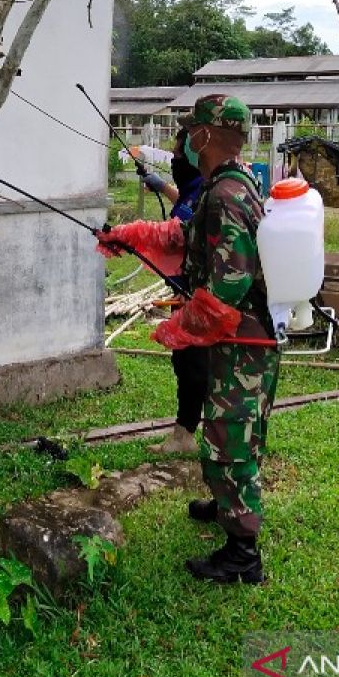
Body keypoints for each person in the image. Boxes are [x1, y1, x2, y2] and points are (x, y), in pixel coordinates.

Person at [131, 94, 279, 584]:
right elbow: (195, 235)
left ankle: (242, 555)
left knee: (229, 438)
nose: (186, 141)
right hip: (247, 338)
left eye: (191, 131)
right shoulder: (237, 184)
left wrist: (181, 327)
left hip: (242, 344)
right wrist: (138, 236)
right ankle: (223, 507)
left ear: (207, 136)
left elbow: (229, 282)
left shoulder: (224, 195)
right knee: (235, 432)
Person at [99, 129, 208, 455]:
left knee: (192, 363)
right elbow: (187, 205)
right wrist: (162, 187)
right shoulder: (198, 186)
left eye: (177, 155)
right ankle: (184, 434)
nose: (173, 160)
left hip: (201, 295)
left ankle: (185, 437)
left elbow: (180, 231)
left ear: (193, 157)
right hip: (190, 290)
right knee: (185, 359)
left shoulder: (211, 189)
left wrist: (128, 233)